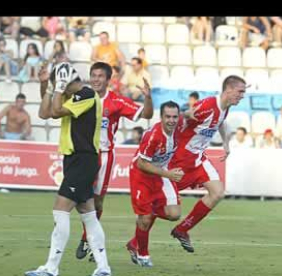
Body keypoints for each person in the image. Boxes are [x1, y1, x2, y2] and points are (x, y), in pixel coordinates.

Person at [38, 61, 154, 261]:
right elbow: (49, 109)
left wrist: (148, 98)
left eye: (101, 76)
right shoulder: (80, 95)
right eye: (94, 75)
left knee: (95, 200)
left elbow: (145, 114)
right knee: (84, 201)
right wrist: (46, 84)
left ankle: (85, 241)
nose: (96, 79)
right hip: (81, 154)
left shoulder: (117, 101)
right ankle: (95, 255)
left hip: (104, 154)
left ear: (109, 80)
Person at [27, 62, 111, 276]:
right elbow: (44, 113)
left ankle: (51, 268)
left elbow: (55, 112)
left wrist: (56, 88)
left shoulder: (87, 94)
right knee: (88, 214)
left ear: (65, 81)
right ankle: (103, 268)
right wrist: (46, 86)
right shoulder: (72, 96)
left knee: (60, 209)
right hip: (76, 160)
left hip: (83, 159)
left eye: (58, 82)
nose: (58, 87)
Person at [168, 75, 246, 253]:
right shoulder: (208, 105)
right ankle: (137, 242)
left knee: (218, 192)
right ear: (228, 90)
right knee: (162, 204)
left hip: (198, 158)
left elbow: (220, 122)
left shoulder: (224, 107)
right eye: (240, 91)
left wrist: (226, 143)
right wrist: (186, 114)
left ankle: (182, 229)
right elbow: (181, 117)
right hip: (181, 159)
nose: (242, 96)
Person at [125, 101, 183, 267]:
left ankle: (134, 240)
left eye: (174, 116)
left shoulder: (179, 128)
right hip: (141, 175)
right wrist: (168, 174)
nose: (171, 120)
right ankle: (143, 254)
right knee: (145, 218)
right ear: (161, 117)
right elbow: (142, 164)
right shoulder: (153, 136)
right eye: (167, 117)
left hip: (161, 171)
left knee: (174, 214)